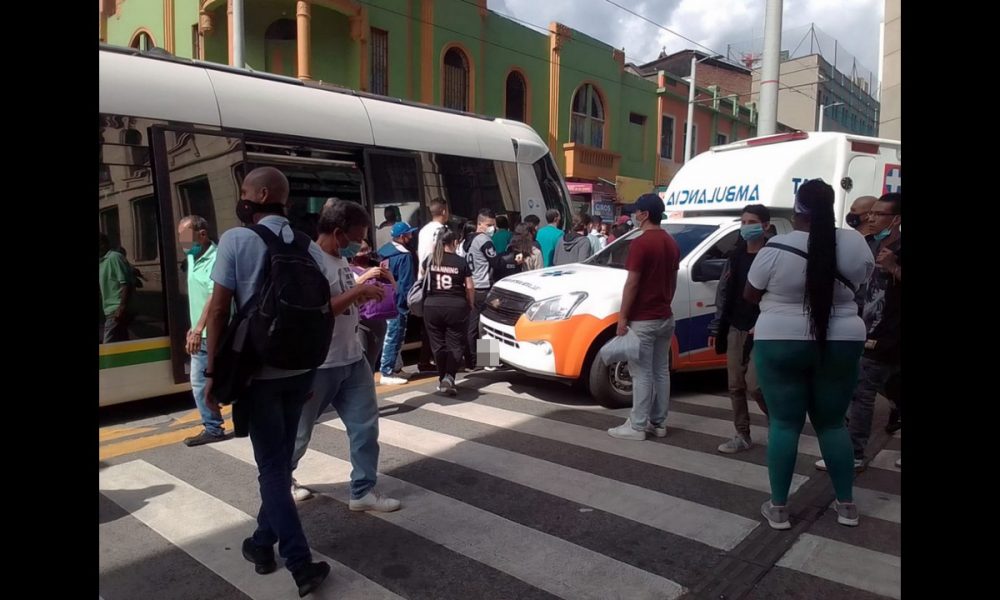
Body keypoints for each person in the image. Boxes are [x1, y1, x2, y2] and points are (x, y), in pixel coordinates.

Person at [203, 167, 331, 596]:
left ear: (259, 194)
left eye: (243, 191)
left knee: (272, 469)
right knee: (278, 463)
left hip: (259, 373)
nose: (241, 198)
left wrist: (211, 373)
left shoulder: (237, 240)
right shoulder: (307, 244)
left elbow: (219, 310)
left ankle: (299, 564)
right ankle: (260, 543)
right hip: (300, 370)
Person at [745, 179, 874, 530]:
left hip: (779, 340)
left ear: (797, 209)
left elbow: (750, 294)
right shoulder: (856, 243)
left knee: (785, 424)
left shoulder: (775, 247)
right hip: (843, 338)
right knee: (833, 425)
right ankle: (846, 506)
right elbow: (861, 285)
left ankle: (780, 509)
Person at [288, 200, 401, 513]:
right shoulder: (310, 261)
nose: (359, 245)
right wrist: (358, 292)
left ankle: (362, 491)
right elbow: (318, 311)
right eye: (355, 238)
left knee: (365, 427)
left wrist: (364, 294)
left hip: (352, 358)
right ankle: (282, 481)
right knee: (299, 433)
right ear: (337, 233)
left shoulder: (339, 259)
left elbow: (345, 303)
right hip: (320, 364)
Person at [607, 194, 680, 441]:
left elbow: (632, 284)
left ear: (645, 214)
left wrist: (622, 318)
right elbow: (672, 281)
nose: (634, 216)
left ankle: (637, 426)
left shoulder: (641, 243)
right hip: (664, 317)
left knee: (641, 373)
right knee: (661, 371)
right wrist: (665, 303)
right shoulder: (671, 243)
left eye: (637, 211)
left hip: (643, 319)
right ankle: (658, 423)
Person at [706, 205, 772, 453]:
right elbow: (724, 292)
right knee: (735, 385)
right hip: (735, 325)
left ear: (765, 225)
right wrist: (717, 326)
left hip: (763, 329)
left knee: (756, 385)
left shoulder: (773, 254)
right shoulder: (735, 256)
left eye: (752, 222)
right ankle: (742, 434)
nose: (746, 227)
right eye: (743, 222)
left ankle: (778, 423)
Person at [177, 215, 227, 447]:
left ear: (203, 235)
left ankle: (213, 428)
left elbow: (213, 296)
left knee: (200, 382)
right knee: (210, 382)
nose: (182, 244)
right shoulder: (192, 256)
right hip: (201, 331)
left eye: (185, 237)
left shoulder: (216, 258)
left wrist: (198, 329)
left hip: (211, 333)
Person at [423, 229, 475, 395]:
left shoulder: (430, 260)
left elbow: (421, 280)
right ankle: (450, 377)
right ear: (453, 243)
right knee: (455, 344)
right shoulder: (461, 261)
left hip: (432, 306)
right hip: (456, 306)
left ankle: (442, 378)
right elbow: (469, 286)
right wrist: (470, 303)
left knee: (438, 345)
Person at [377, 222, 418, 385]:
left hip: (385, 299)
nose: (411, 236)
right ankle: (387, 371)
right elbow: (407, 284)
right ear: (402, 237)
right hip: (398, 302)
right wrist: (407, 304)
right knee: (394, 336)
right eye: (409, 234)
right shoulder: (404, 256)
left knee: (392, 336)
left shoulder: (383, 252)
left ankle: (396, 367)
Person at [99, 233, 136, 343]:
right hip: (110, 311)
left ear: (103, 244)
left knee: (108, 345)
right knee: (121, 343)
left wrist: (121, 308)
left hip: (116, 310)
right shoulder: (101, 262)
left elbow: (126, 283)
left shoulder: (114, 257)